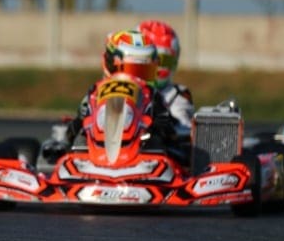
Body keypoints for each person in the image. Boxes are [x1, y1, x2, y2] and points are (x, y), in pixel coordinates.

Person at [42, 29, 179, 162]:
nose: (134, 78)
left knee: (157, 142)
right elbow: (79, 122)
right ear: (112, 63)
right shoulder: (96, 91)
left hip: (140, 151)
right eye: (131, 70)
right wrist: (74, 128)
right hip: (93, 149)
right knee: (79, 136)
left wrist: (157, 128)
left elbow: (167, 128)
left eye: (143, 71)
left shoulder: (151, 94)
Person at [136, 20, 195, 136]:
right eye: (150, 59)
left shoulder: (177, 95)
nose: (157, 65)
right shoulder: (118, 88)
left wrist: (162, 116)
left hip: (154, 150)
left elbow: (184, 129)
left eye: (163, 60)